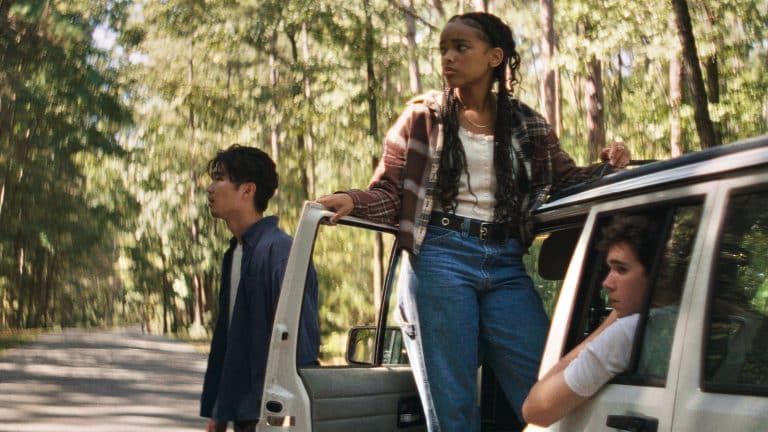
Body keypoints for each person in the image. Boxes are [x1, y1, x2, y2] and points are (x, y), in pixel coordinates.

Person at [317, 12, 630, 431]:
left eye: (460, 47)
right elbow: (391, 192)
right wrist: (351, 200)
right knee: (455, 404)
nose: (448, 57)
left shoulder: (526, 124)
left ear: (494, 57)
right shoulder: (421, 118)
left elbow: (566, 182)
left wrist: (609, 166)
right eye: (443, 48)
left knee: (546, 384)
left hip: (505, 260)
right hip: (439, 255)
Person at [200, 145, 320, 432]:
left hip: (271, 416)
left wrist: (289, 419)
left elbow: (300, 344)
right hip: (242, 414)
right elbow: (231, 342)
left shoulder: (279, 252)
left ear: (247, 190)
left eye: (219, 178)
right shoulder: (236, 253)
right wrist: (219, 413)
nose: (210, 188)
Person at [522, 215, 661, 427]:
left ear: (657, 275)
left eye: (621, 269)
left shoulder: (629, 331)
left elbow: (536, 410)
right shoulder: (677, 322)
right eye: (609, 270)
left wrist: (610, 322)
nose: (607, 283)